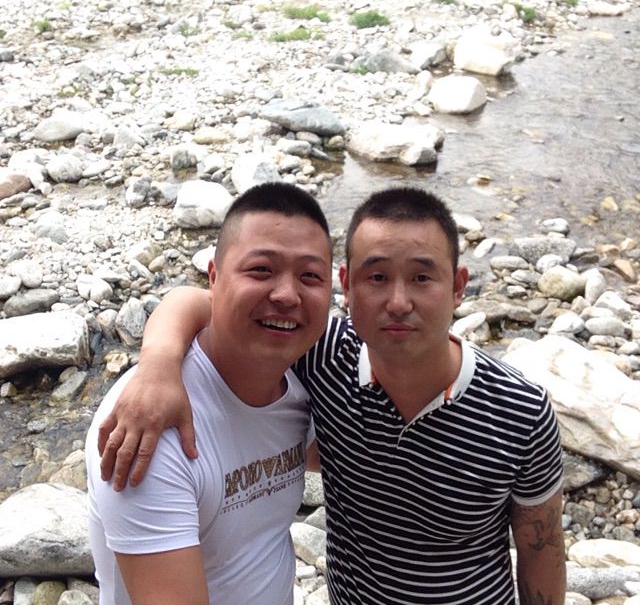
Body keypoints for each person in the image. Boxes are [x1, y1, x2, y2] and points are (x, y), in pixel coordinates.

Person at [99, 187, 566, 605]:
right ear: (348, 286)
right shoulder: (322, 356)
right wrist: (158, 364)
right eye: (377, 277)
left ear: (458, 287)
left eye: (422, 278)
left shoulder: (520, 411)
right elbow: (215, 304)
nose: (398, 302)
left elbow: (541, 549)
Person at [85, 182, 333, 605]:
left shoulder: (303, 370)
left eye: (310, 276)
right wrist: (159, 362)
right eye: (261, 270)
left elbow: (320, 454)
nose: (287, 295)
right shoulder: (149, 429)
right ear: (214, 278)